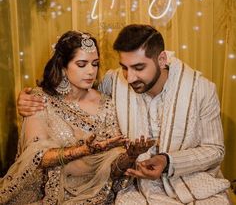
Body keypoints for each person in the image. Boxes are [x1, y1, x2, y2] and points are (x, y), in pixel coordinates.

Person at [16, 25, 231, 204]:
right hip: (137, 187)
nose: (129, 78)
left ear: (162, 59)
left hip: (192, 182)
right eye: (125, 68)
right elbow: (75, 91)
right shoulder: (114, 81)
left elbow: (215, 150)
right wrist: (26, 99)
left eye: (138, 67)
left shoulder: (201, 89)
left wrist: (167, 161)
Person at [0, 30, 154, 204]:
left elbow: (112, 169)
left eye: (95, 64)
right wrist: (84, 151)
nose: (90, 71)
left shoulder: (107, 105)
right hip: (47, 193)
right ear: (63, 67)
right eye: (82, 64)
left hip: (96, 194)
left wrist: (130, 156)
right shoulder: (40, 100)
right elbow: (36, 157)